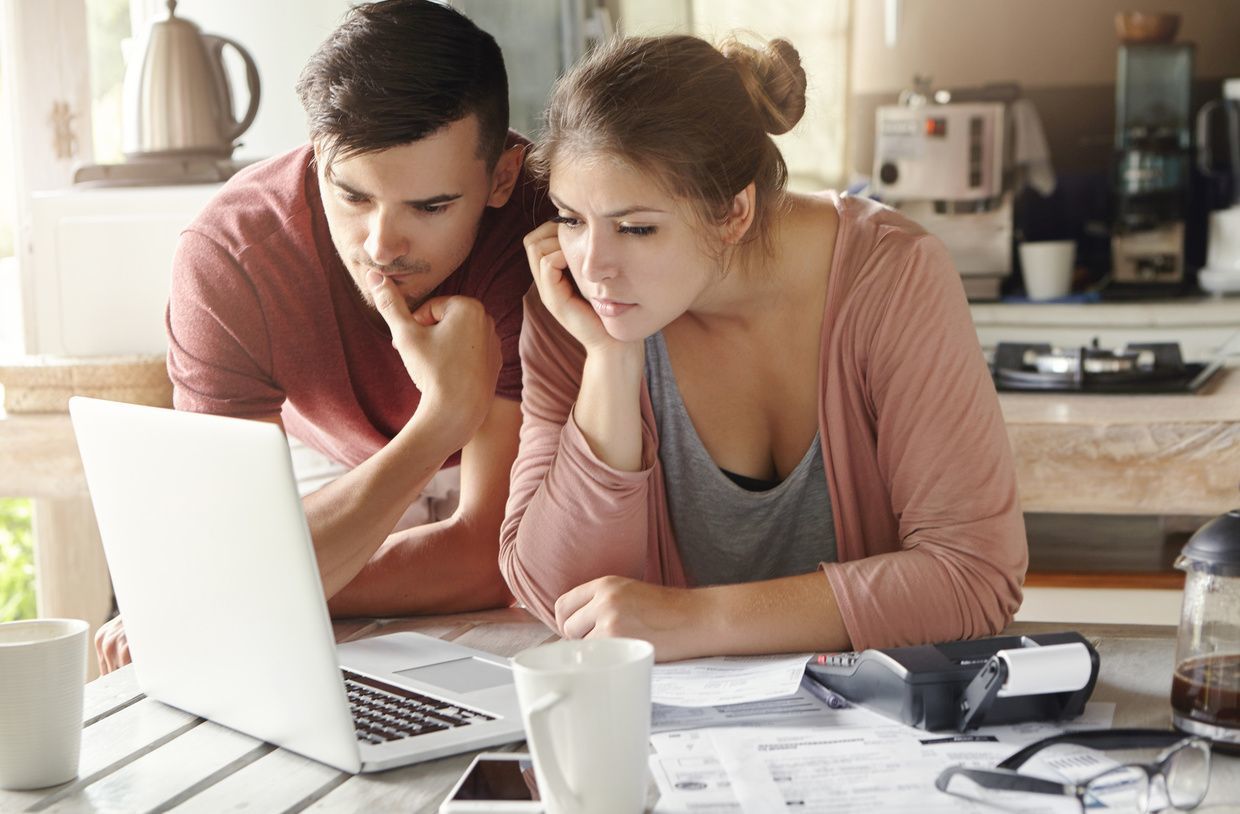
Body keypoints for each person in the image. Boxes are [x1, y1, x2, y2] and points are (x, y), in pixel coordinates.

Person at [502, 34, 1027, 661]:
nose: (593, 266)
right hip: (673, 742)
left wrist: (693, 619)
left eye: (636, 227)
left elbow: (973, 579)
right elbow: (557, 597)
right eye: (570, 218)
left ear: (733, 213)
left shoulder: (892, 278)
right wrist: (610, 360)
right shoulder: (575, 310)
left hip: (883, 735)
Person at [95, 0, 551, 672]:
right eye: (353, 196)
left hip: (508, 469)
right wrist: (441, 421)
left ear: (501, 178)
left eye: (430, 207)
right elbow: (229, 542)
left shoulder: (540, 228)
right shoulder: (231, 257)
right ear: (316, 160)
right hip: (328, 458)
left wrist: (245, 591)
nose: (382, 244)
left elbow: (488, 557)